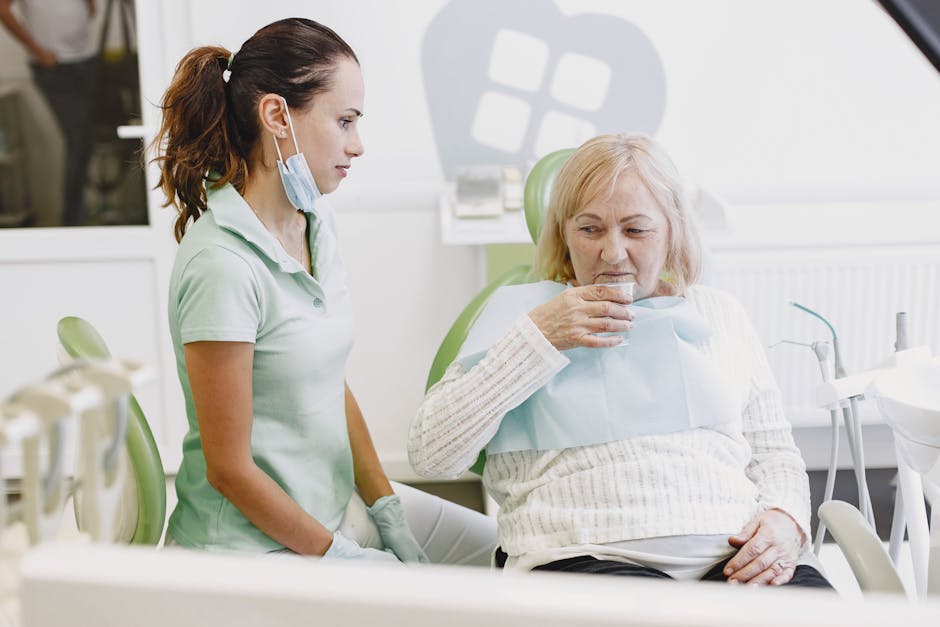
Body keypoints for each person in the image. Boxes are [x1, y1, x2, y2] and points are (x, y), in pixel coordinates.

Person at [408, 133, 831, 587]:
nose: (612, 253)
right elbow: (431, 455)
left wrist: (787, 519)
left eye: (635, 229)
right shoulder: (521, 317)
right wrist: (539, 340)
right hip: (583, 555)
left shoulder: (717, 312)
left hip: (732, 558)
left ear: (671, 232)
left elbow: (774, 451)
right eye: (589, 229)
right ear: (563, 234)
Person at [153, 17, 495, 564]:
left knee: (502, 558)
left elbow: (329, 380)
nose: (357, 146)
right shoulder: (223, 265)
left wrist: (385, 507)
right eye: (344, 122)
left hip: (332, 511)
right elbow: (228, 470)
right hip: (250, 549)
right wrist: (337, 556)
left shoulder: (313, 220)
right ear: (276, 115)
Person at [0, 0, 98, 226]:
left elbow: (90, 11)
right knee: (73, 141)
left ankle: (76, 217)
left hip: (86, 59)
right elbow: (3, 8)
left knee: (85, 142)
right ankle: (70, 222)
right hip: (54, 66)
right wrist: (38, 51)